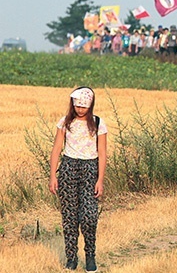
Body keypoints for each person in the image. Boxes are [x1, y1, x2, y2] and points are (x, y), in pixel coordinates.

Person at [48, 87, 107, 272]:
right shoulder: (65, 122)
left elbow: (103, 153)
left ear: (90, 106)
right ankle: (71, 258)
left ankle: (90, 256)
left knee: (89, 216)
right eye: (78, 106)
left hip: (90, 169)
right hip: (68, 169)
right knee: (69, 217)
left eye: (84, 107)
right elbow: (57, 149)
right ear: (73, 105)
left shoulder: (98, 123)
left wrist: (100, 179)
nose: (80, 110)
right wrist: (52, 176)